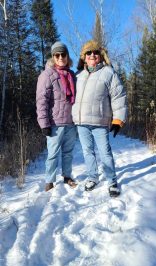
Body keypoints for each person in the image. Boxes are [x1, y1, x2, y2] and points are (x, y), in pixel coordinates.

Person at [72, 40, 127, 197]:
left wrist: (118, 120)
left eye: (95, 52)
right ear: (84, 57)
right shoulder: (78, 75)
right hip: (81, 122)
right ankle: (92, 177)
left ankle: (112, 181)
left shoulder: (108, 73)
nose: (92, 55)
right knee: (87, 151)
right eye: (88, 53)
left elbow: (119, 96)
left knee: (105, 153)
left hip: (99, 122)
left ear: (100, 55)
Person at [36, 41, 77, 191]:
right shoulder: (47, 75)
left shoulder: (72, 75)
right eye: (57, 55)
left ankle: (67, 176)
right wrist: (44, 123)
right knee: (52, 153)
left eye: (63, 54)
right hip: (54, 123)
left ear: (67, 56)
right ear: (53, 57)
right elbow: (41, 101)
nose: (60, 57)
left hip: (70, 122)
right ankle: (49, 181)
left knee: (68, 152)